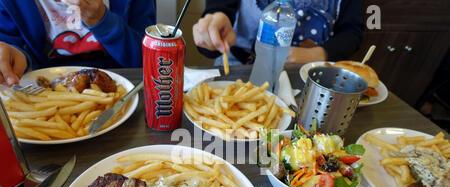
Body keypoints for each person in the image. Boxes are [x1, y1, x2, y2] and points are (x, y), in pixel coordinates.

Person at [0, 0, 156, 86]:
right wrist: (18, 58)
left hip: (124, 87)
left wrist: (103, 22)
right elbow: (15, 56)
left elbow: (149, 63)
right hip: (44, 89)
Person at [193, 0, 364, 66]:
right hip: (240, 64)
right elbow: (210, 48)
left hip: (311, 71)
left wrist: (317, 54)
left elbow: (352, 32)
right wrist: (211, 34)